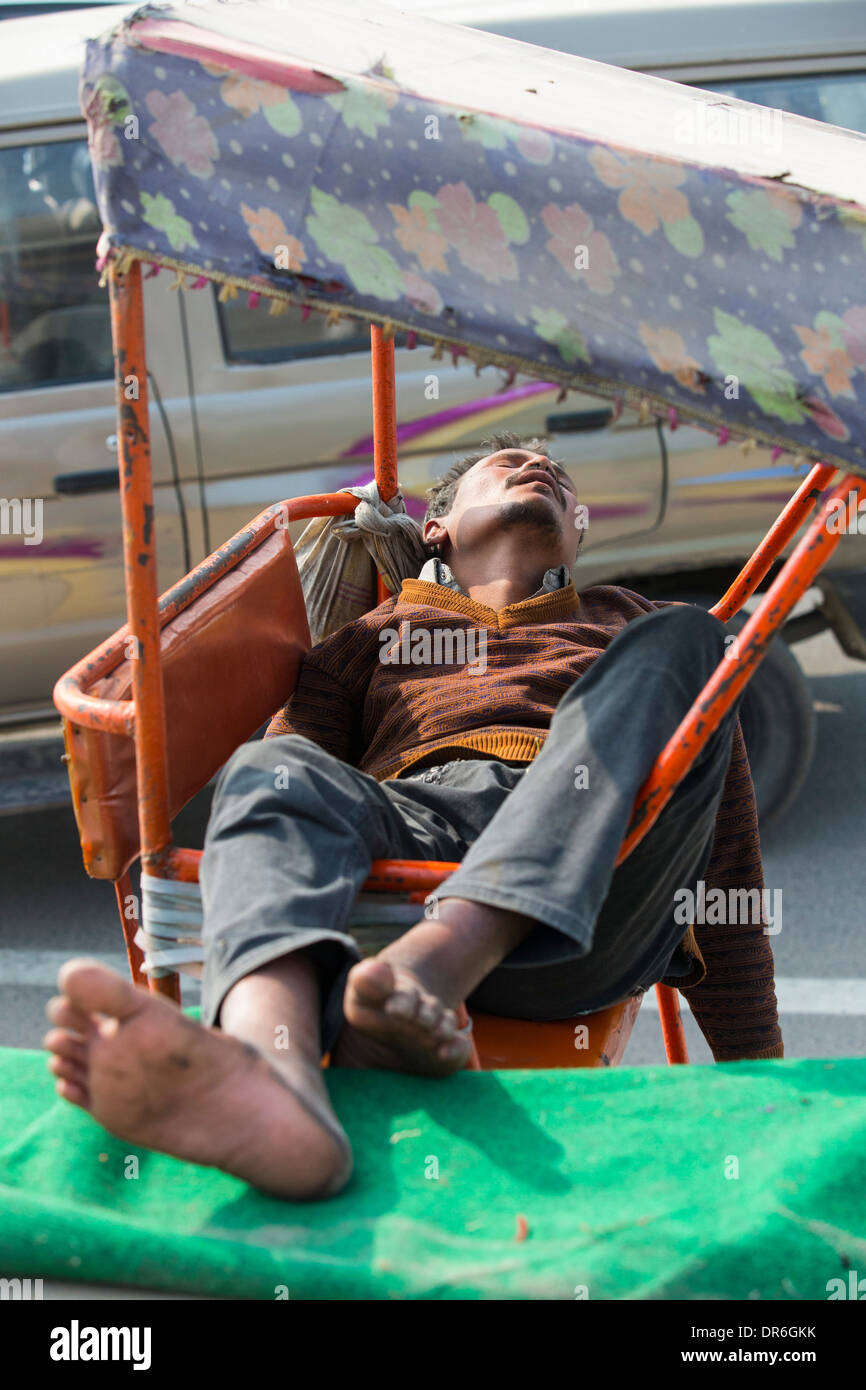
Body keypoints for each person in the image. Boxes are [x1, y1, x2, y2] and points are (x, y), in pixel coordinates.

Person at [45, 432, 783, 1201]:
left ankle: (441, 962)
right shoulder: (366, 639)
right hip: (408, 870)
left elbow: (728, 876)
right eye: (509, 465)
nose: (540, 470)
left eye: (561, 483)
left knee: (694, 636)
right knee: (265, 770)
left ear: (578, 532)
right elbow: (281, 803)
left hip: (585, 910)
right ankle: (274, 1082)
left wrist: (766, 1095)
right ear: (434, 528)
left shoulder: (636, 624)